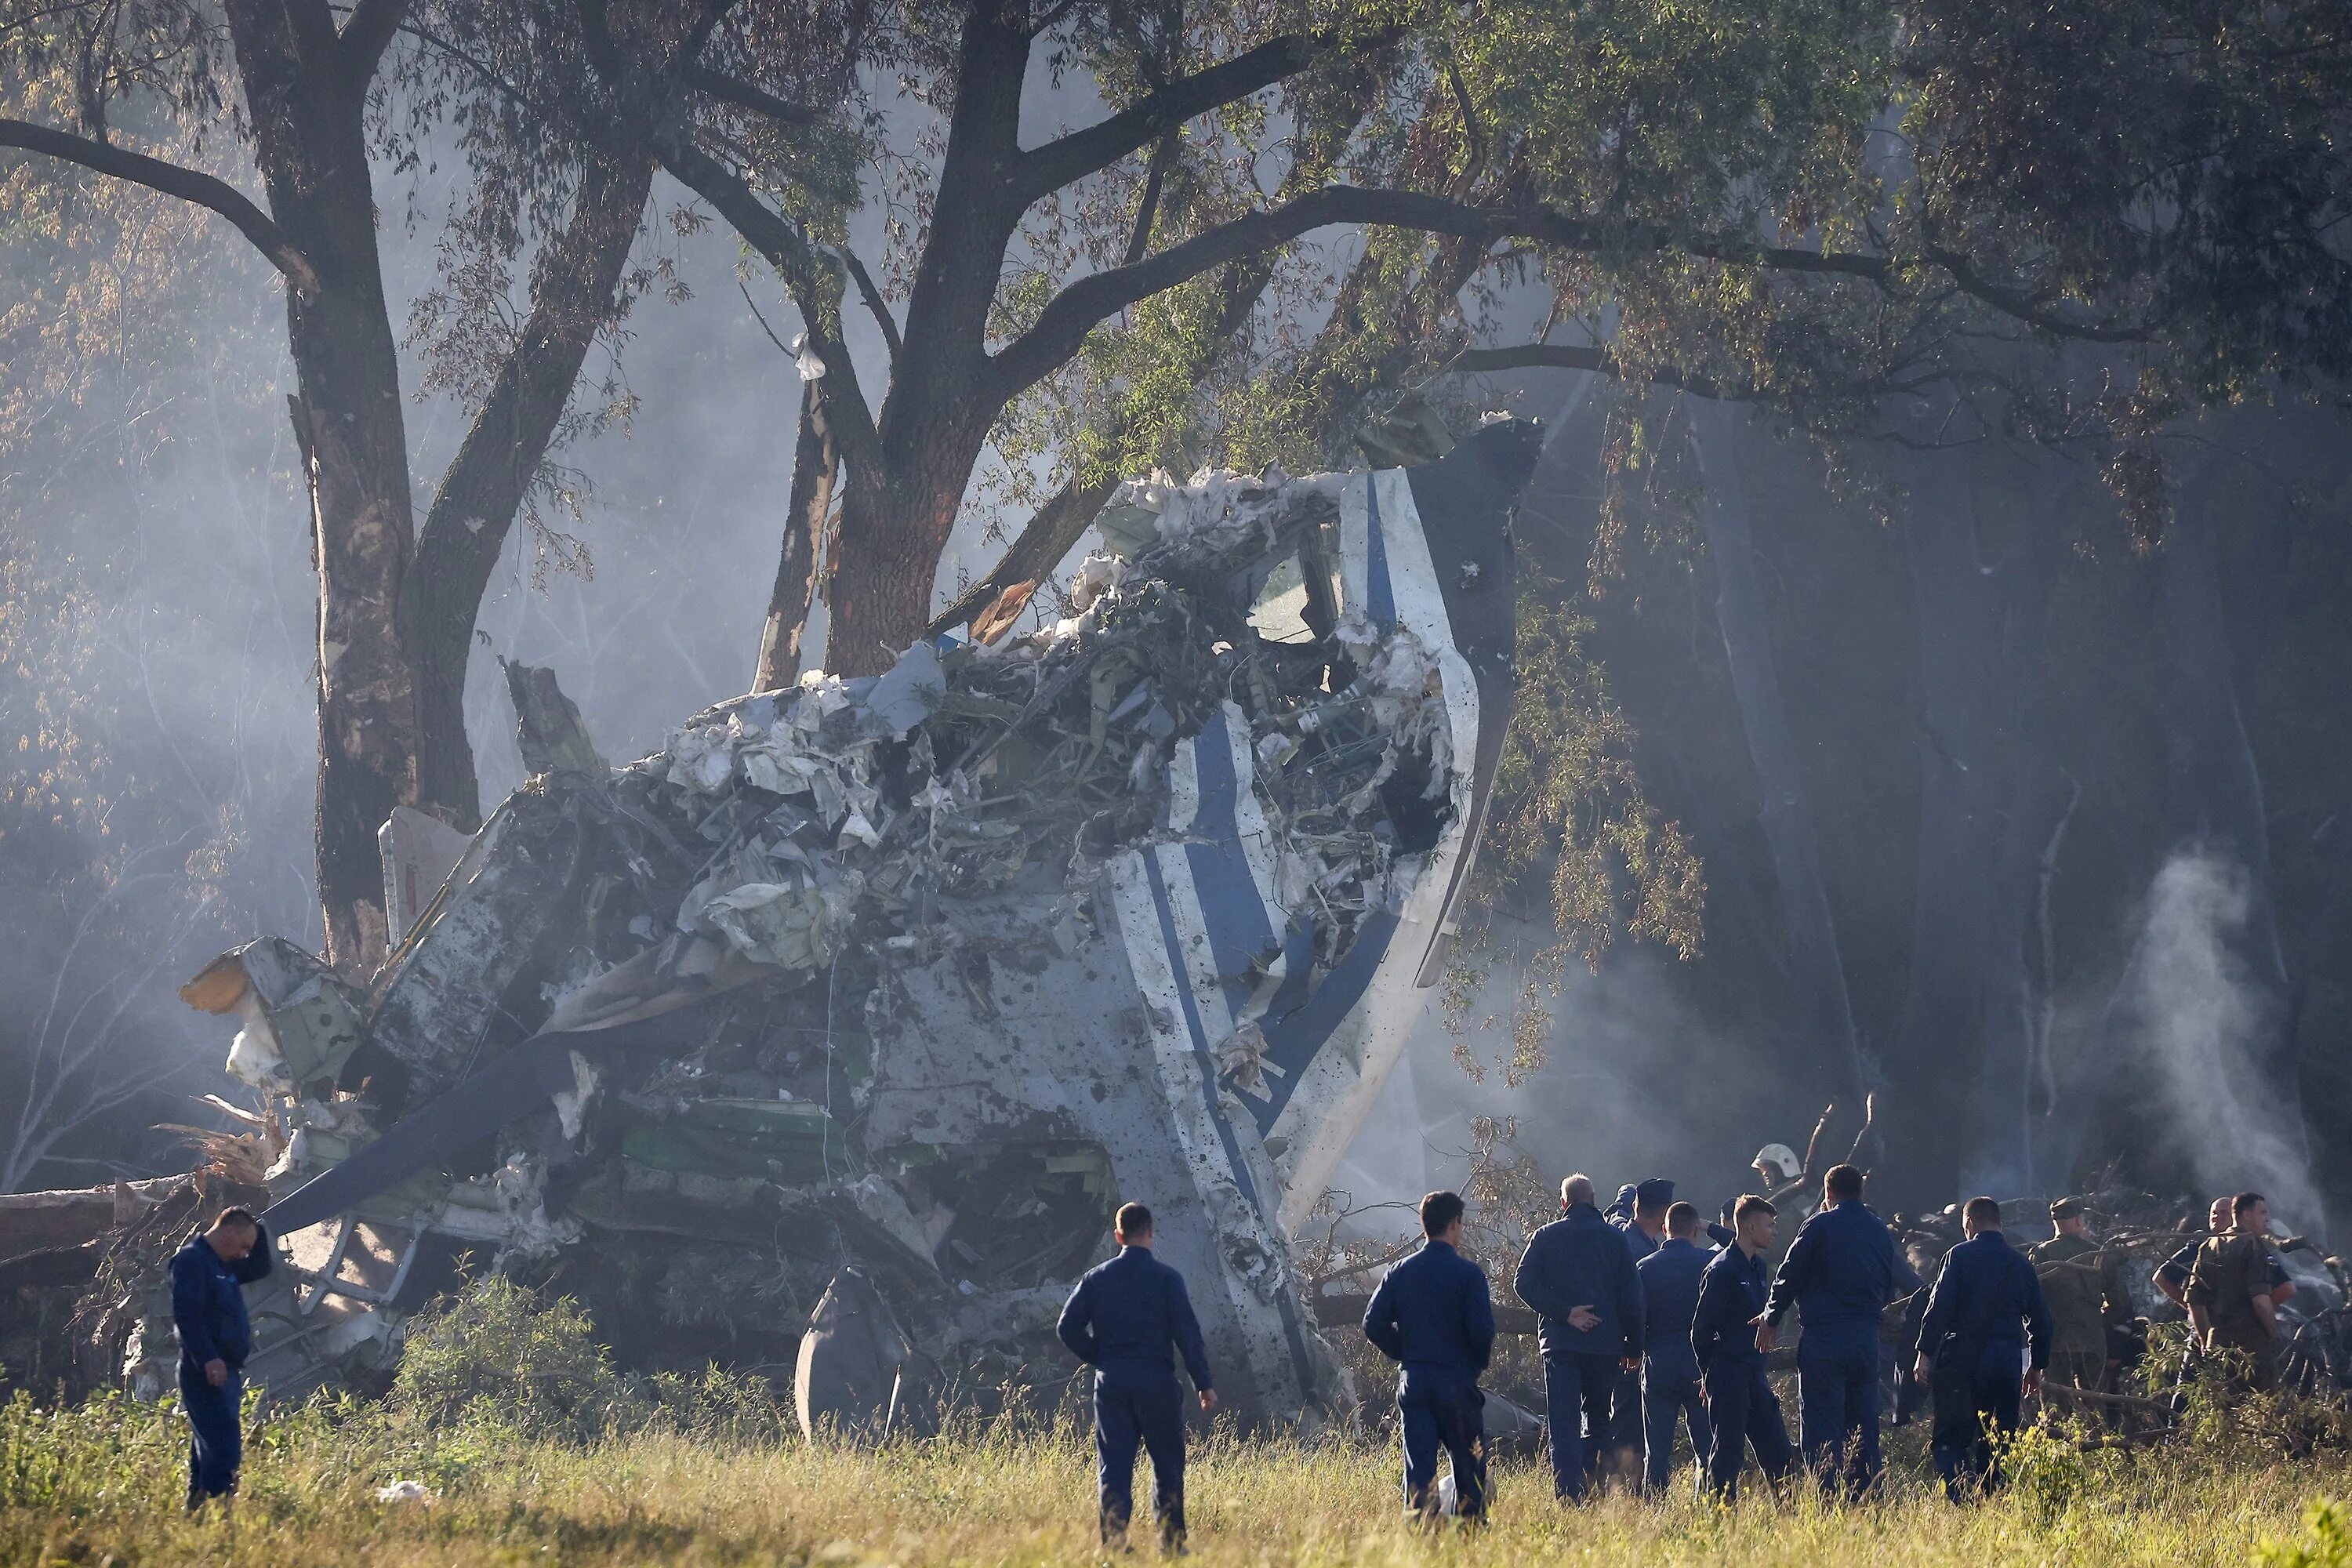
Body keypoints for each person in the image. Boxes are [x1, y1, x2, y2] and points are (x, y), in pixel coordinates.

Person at [1058, 1202, 1218, 1550]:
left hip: (1112, 1383)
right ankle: (1171, 1543)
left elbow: (1066, 1326)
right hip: (1156, 1383)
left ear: (1118, 1236)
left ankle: (1114, 1542)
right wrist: (1203, 1383)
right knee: (1167, 1463)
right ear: (1150, 1232)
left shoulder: (1096, 1278)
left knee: (1114, 1465)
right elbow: (1188, 1336)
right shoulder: (1167, 1279)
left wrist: (1099, 1358)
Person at [1759, 1163, 1918, 1497]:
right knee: (1863, 1427)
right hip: (1866, 1341)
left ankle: (1825, 1501)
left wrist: (1771, 1318)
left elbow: (1788, 1275)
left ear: (1828, 1194)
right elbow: (1911, 1284)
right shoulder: (1878, 1230)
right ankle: (1868, 1499)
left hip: (1824, 1339)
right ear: (1860, 1192)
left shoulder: (1818, 1226)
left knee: (1820, 1427)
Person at [1363, 1191, 1496, 1522]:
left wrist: (1404, 1352)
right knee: (1469, 1469)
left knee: (1419, 1473)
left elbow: (1372, 1323)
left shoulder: (1400, 1271)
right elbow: (1482, 1331)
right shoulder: (1469, 1275)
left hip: (1417, 1382)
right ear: (1454, 1224)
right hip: (1456, 1382)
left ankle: (1420, 1537)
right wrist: (1475, 1365)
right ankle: (1470, 1534)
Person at [1514, 1173, 1644, 1501]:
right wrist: (1633, 1344)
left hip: (1561, 1344)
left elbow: (1523, 1283)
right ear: (1594, 1199)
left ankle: (1569, 1494)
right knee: (1600, 1417)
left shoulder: (1545, 1236)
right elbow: (1632, 1295)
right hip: (1605, 1345)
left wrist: (1564, 1313)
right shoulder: (1615, 1240)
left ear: (1563, 1202)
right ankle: (1597, 1484)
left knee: (1564, 1422)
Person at [1914, 1196, 2051, 1501]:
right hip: (2005, 1358)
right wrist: (2036, 1366)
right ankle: (1994, 1500)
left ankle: (1963, 1500)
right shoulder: (2021, 1264)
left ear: (1970, 1223)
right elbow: (2041, 1320)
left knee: (1952, 1436)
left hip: (1963, 1356)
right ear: (1999, 1224)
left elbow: (1938, 1308)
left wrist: (1924, 1352)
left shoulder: (1958, 1256)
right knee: (2000, 1437)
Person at [170, 1206, 273, 1512]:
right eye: (243, 1246)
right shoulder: (192, 1260)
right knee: (223, 1445)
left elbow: (261, 1267)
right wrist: (208, 1358)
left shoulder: (223, 1264)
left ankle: (198, 1510)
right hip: (204, 1369)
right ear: (227, 1233)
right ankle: (218, 1511)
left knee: (209, 1445)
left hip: (226, 1369)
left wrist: (258, 1228)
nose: (245, 1254)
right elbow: (187, 1316)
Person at [1692, 1194, 1792, 1501]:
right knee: (1728, 1452)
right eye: (1769, 1225)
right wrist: (1710, 1375)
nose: (1774, 1231)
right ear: (1749, 1227)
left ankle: (1790, 1518)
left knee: (1777, 1450)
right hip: (1727, 1372)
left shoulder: (1758, 1267)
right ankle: (1719, 1522)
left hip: (1754, 1371)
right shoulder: (1721, 1270)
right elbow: (1701, 1331)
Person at [1635, 1200, 1716, 1496]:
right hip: (1701, 1364)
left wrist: (1638, 1349)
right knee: (1707, 1444)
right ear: (1695, 1230)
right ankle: (1710, 1503)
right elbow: (1740, 1245)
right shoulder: (1709, 1263)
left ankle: (1654, 1506)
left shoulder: (1645, 1268)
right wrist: (1711, 1227)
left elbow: (1636, 1318)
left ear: (1664, 1229)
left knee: (1656, 1447)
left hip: (1659, 1361)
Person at [1606, 1178, 1675, 1472]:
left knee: (1623, 1415)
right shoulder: (1642, 1252)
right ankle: (1621, 1486)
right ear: (1663, 1213)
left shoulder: (1622, 1234)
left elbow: (1615, 1214)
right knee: (1628, 1418)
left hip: (1620, 1343)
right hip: (1631, 1348)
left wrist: (1624, 1194)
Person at [2186, 1191, 2282, 1394]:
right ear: (2247, 1215)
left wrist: (2207, 1341)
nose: (2267, 1218)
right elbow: (2260, 1302)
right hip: (2252, 1347)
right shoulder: (2253, 1246)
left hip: (2218, 1347)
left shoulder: (2208, 1247)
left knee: (2224, 1413)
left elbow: (2195, 1301)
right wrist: (2274, 1334)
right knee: (2261, 1412)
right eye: (2262, 1212)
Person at [2030, 1197, 2123, 1395]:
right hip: (2092, 1340)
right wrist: (2112, 1340)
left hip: (2055, 1344)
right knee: (2095, 1405)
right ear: (2079, 1221)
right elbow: (2120, 1303)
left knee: (2056, 1409)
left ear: (2054, 1223)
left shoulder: (2041, 1254)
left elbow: (2029, 1301)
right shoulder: (2098, 1254)